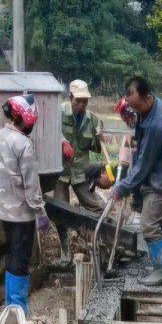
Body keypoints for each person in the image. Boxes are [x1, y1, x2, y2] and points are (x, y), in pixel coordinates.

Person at [107, 76, 162, 286]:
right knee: (160, 225)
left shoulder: (158, 123)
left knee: (148, 223)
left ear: (147, 96)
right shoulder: (151, 106)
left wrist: (122, 187)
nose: (137, 112)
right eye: (134, 109)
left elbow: (144, 164)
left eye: (139, 107)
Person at [0, 93, 49, 313]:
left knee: (12, 253)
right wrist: (40, 213)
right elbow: (31, 185)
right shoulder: (24, 144)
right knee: (21, 257)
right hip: (22, 212)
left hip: (4, 209)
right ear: (26, 120)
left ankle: (10, 303)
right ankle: (18, 307)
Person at [55, 79, 103, 264]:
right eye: (78, 100)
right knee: (60, 210)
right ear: (71, 97)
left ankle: (100, 241)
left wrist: (99, 139)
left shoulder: (92, 120)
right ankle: (65, 248)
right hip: (61, 170)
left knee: (95, 206)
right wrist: (62, 141)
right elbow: (48, 130)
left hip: (80, 171)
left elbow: (96, 148)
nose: (82, 105)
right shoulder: (58, 112)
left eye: (85, 101)